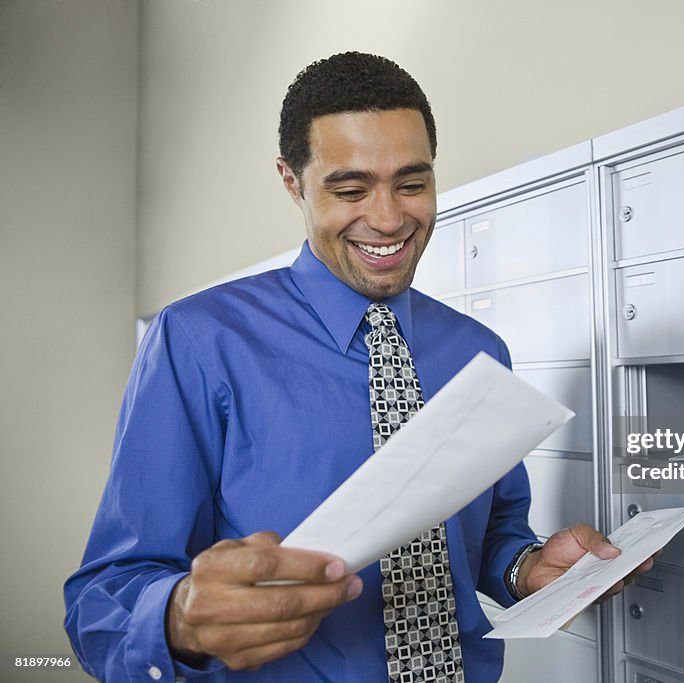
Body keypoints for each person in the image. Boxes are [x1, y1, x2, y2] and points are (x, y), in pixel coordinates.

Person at [65, 52, 653, 682]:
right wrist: (179, 620)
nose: (388, 219)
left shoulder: (478, 350)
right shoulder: (200, 340)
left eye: (412, 182)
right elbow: (105, 598)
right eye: (350, 189)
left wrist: (526, 568)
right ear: (293, 182)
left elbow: (485, 537)